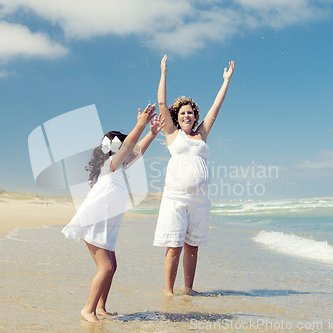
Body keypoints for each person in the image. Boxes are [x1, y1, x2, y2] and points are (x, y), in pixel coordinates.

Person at [62, 104, 164, 322]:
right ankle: (87, 310)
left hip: (107, 225)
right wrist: (140, 124)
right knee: (106, 267)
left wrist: (152, 134)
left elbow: (137, 150)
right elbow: (130, 147)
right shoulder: (110, 165)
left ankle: (101, 307)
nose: (128, 152)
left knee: (112, 267)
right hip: (95, 223)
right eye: (124, 149)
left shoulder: (120, 168)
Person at [153, 55, 235, 295]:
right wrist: (164, 73)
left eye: (190, 113)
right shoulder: (172, 134)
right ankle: (168, 291)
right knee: (174, 246)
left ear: (195, 116)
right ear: (176, 118)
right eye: (182, 113)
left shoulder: (201, 135)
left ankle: (188, 289)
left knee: (193, 246)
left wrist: (226, 81)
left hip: (200, 200)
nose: (186, 115)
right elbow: (161, 103)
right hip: (175, 198)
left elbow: (216, 109)